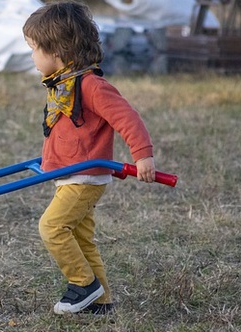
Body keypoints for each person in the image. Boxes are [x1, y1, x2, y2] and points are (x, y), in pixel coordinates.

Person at [22, 1, 156, 315]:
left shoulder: (91, 85)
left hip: (84, 177)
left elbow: (128, 118)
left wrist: (143, 156)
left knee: (52, 228)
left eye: (33, 48)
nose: (31, 56)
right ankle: (101, 300)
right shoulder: (64, 86)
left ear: (57, 51)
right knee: (82, 239)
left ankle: (83, 283)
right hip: (71, 175)